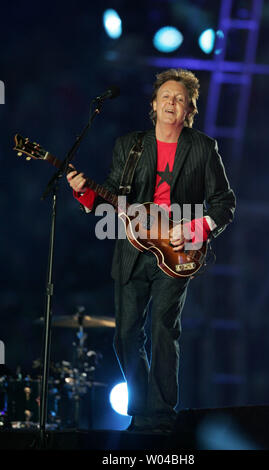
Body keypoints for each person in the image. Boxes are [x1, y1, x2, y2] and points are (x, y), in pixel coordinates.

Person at [66, 68, 236, 434]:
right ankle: (141, 413)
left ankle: (161, 416)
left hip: (178, 253)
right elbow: (110, 194)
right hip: (132, 249)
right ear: (154, 105)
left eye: (179, 99)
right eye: (166, 97)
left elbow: (224, 203)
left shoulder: (203, 148)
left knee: (162, 327)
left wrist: (192, 228)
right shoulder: (130, 145)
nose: (171, 103)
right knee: (125, 333)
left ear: (189, 108)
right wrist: (83, 191)